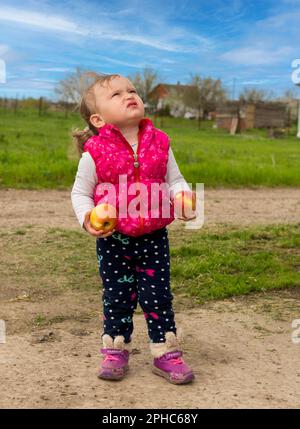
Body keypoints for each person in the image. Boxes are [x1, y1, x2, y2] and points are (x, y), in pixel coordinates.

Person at [71, 72, 196, 384]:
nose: (129, 95)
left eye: (132, 90)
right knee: (117, 296)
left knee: (158, 297)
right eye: (116, 94)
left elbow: (175, 179)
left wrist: (180, 196)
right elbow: (80, 193)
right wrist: (88, 219)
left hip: (153, 237)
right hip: (114, 240)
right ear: (98, 119)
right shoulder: (95, 152)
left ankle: (165, 352)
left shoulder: (161, 143)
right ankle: (116, 350)